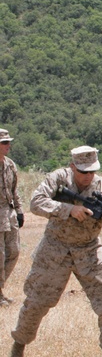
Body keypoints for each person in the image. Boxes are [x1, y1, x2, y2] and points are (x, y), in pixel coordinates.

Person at [4, 146, 102, 357]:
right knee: (36, 302)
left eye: (92, 171)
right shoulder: (58, 178)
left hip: (89, 249)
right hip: (55, 249)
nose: (88, 176)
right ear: (72, 167)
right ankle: (17, 350)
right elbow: (36, 202)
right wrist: (67, 209)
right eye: (83, 171)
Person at [0, 129, 23, 306]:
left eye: (8, 142)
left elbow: (14, 191)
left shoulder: (10, 165)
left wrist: (20, 210)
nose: (9, 146)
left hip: (9, 213)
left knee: (14, 252)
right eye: (5, 143)